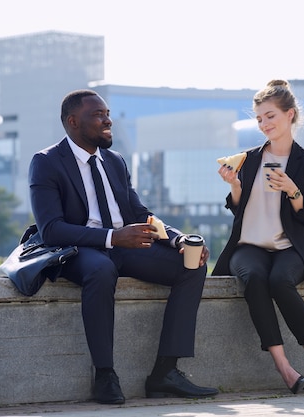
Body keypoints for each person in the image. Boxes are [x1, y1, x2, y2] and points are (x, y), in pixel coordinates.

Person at [28, 89, 219, 404]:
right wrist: (112, 238)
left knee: (192, 263)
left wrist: (177, 238)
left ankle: (165, 373)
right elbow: (51, 229)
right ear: (73, 122)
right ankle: (105, 375)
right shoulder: (46, 162)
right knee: (101, 270)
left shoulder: (114, 161)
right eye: (98, 115)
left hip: (124, 245)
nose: (108, 120)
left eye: (107, 113)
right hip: (78, 250)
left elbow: (139, 213)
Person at [213, 80, 304, 394]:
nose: (264, 124)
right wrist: (235, 187)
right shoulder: (249, 159)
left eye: (270, 116)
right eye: (259, 119)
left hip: (290, 247)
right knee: (253, 277)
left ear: (289, 114)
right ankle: (284, 367)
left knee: (280, 281)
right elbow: (237, 210)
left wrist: (291, 189)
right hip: (249, 245)